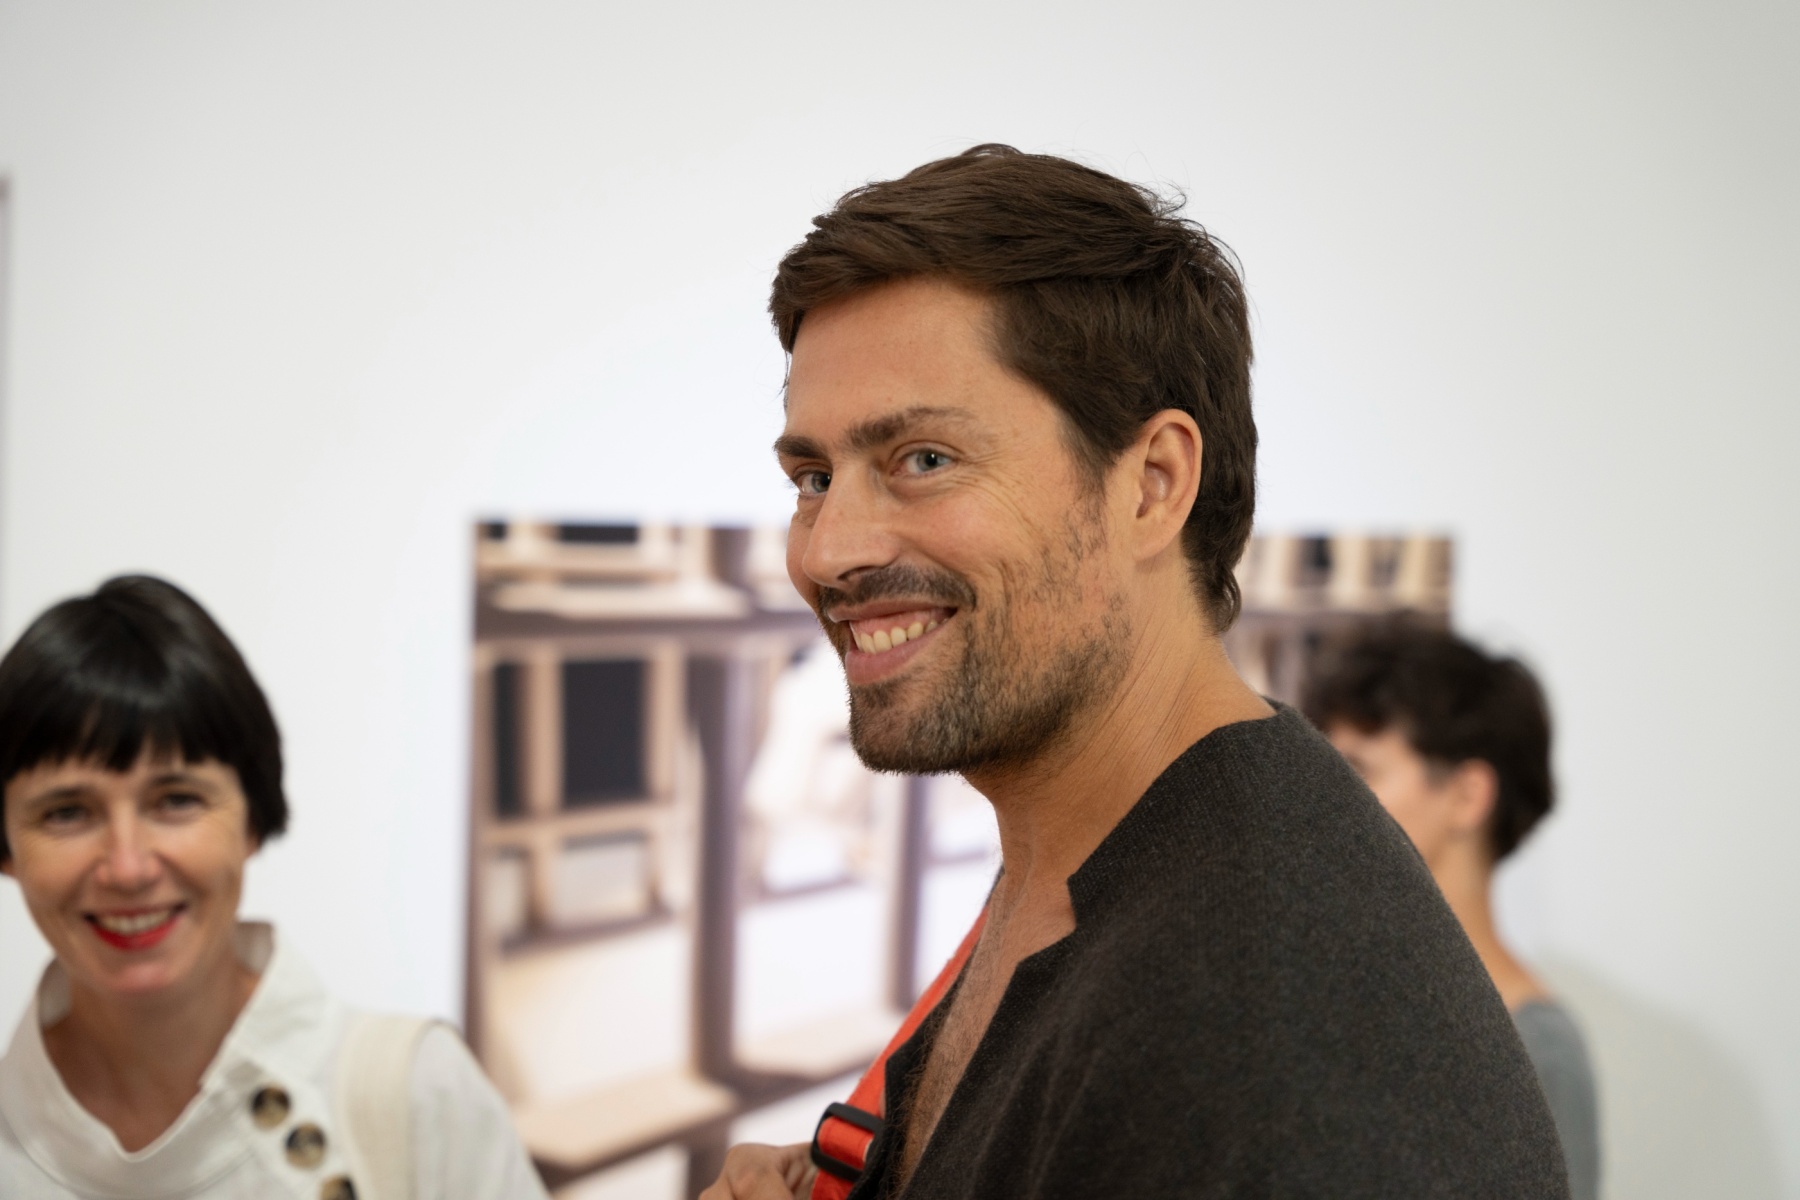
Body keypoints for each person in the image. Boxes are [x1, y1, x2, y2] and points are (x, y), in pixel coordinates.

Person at [704, 144, 1568, 1199]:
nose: (830, 550)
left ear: (1153, 484)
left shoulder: (1261, 1037)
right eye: (813, 477)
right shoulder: (1116, 861)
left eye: (923, 460)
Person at [0, 575, 548, 1200]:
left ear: (252, 820)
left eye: (176, 800)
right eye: (67, 813)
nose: (128, 868)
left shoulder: (415, 1094)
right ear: (7, 846)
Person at [1302, 620, 1601, 1200]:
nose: (1324, 798)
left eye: (1359, 770)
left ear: (1467, 796)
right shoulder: (1331, 1007)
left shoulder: (1539, 1055)